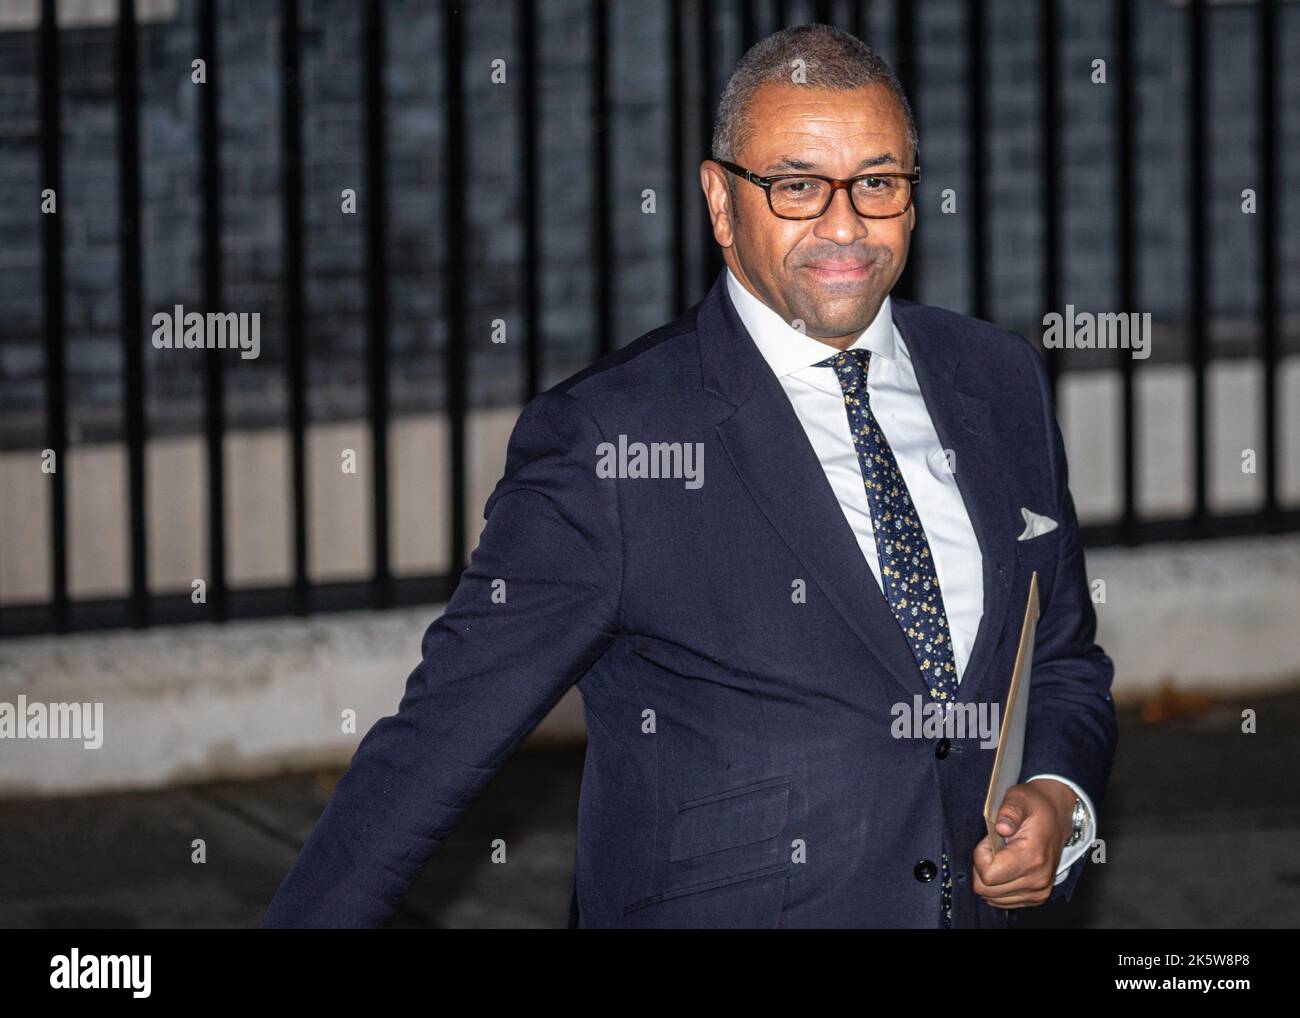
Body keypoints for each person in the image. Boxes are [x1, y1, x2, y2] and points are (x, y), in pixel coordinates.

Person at [262, 23, 1117, 929]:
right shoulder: (611, 437)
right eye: (796, 186)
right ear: (720, 202)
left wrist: (1061, 800)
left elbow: (1059, 660)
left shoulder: (997, 379)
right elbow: (441, 739)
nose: (843, 224)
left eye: (876, 182)